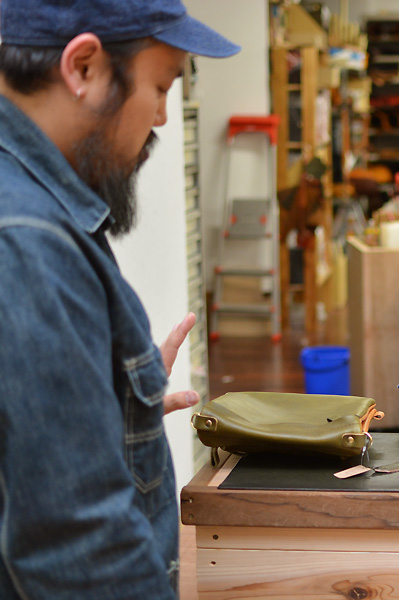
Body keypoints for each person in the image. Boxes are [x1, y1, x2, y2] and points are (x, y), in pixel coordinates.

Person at [0, 0, 239, 597]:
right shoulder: (27, 242)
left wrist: (104, 406)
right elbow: (79, 547)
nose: (161, 116)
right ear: (82, 66)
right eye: (159, 87)